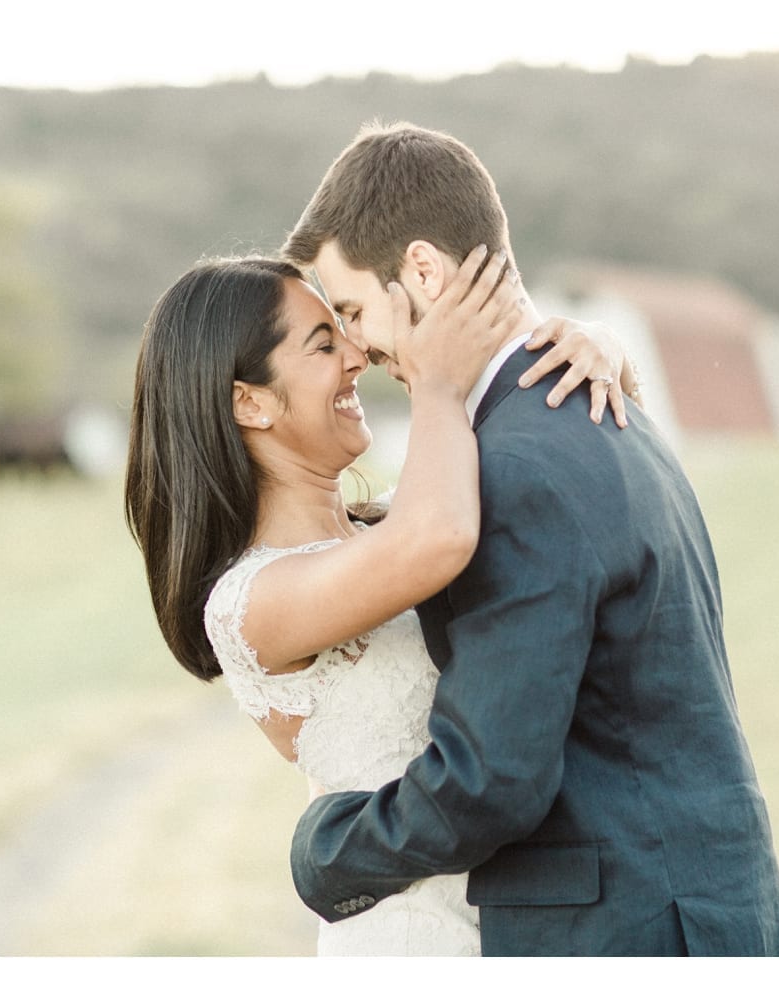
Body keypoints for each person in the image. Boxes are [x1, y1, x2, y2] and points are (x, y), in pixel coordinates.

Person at [279, 121, 779, 956]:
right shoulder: (606, 405)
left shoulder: (517, 465)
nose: (359, 348)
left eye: (352, 310)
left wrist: (323, 851)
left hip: (625, 932)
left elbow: (491, 781)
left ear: (422, 270)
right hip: (702, 913)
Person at [124, 249, 639, 956]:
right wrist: (437, 388)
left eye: (348, 329)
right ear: (251, 401)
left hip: (524, 923)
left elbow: (539, 482)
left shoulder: (390, 524)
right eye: (324, 343)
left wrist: (599, 343)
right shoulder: (248, 602)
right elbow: (438, 538)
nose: (357, 356)